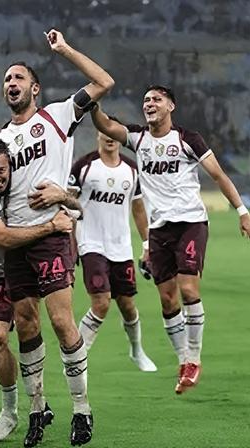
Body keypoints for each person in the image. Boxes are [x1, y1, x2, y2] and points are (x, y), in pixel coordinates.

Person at [90, 84, 250, 395]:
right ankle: (183, 361)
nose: (150, 103)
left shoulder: (187, 139)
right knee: (167, 300)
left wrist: (242, 211)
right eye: (146, 100)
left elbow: (218, 175)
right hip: (159, 230)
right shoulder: (138, 138)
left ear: (171, 106)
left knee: (189, 288)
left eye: (157, 99)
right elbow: (106, 125)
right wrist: (92, 101)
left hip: (190, 222)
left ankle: (194, 359)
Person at [0, 29, 114, 447]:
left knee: (62, 322)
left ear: (35, 88)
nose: (11, 83)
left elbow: (103, 82)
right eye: (7, 79)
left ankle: (82, 408)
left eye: (18, 78)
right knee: (26, 324)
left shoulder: (59, 115)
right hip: (17, 238)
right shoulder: (0, 139)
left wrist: (64, 50)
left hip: (52, 236)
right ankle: (37, 409)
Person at [0, 138, 75, 444]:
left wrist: (64, 201)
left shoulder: (25, 184)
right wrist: (52, 227)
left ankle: (9, 413)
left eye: (0, 171)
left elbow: (71, 203)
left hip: (4, 275)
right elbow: (2, 237)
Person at [68, 128, 157, 372]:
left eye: (114, 134)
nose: (110, 138)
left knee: (127, 305)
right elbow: (68, 204)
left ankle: (137, 350)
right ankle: (77, 359)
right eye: (105, 133)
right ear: (98, 136)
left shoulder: (131, 170)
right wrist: (70, 242)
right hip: (91, 243)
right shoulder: (84, 167)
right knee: (101, 302)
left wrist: (147, 245)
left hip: (121, 246)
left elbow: (138, 209)